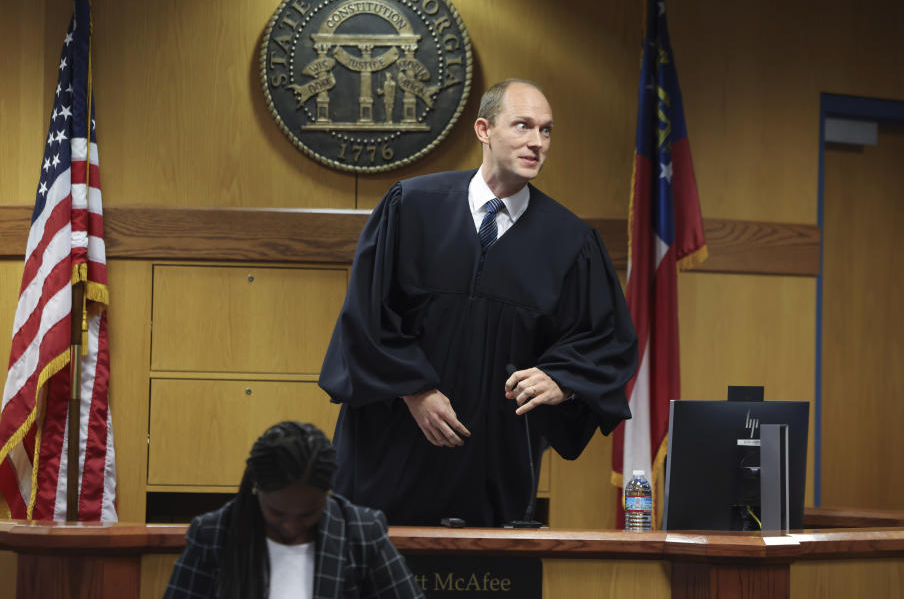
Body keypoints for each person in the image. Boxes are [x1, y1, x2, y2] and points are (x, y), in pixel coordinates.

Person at [318, 79, 638, 527]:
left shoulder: (570, 242)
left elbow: (607, 339)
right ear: (484, 129)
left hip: (493, 457)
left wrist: (562, 379)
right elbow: (366, 315)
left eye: (546, 131)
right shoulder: (411, 206)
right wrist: (416, 389)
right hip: (391, 446)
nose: (537, 142)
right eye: (523, 126)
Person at [163, 421, 424, 599]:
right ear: (256, 490)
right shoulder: (214, 533)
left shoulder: (361, 532)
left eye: (309, 513)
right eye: (277, 514)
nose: (291, 526)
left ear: (327, 493)